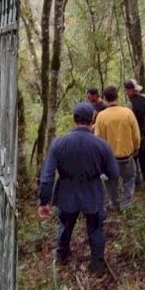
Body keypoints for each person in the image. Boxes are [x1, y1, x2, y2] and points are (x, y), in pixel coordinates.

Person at [38, 103, 119, 275]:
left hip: (67, 194)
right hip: (93, 193)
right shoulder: (102, 145)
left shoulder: (59, 143)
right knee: (96, 229)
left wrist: (44, 201)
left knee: (65, 226)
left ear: (74, 119)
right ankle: (97, 265)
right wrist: (101, 175)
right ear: (92, 121)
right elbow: (114, 173)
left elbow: (47, 176)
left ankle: (62, 257)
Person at [94, 86, 140, 210]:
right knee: (129, 179)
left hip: (109, 159)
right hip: (126, 156)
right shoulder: (127, 113)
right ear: (117, 97)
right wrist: (136, 148)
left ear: (104, 98)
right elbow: (136, 135)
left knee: (110, 183)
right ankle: (126, 204)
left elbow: (97, 139)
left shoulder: (101, 116)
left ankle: (114, 204)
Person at [124, 79, 145, 188]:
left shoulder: (130, 104)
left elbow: (128, 122)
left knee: (134, 159)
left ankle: (137, 184)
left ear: (131, 90)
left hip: (136, 136)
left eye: (127, 91)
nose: (126, 93)